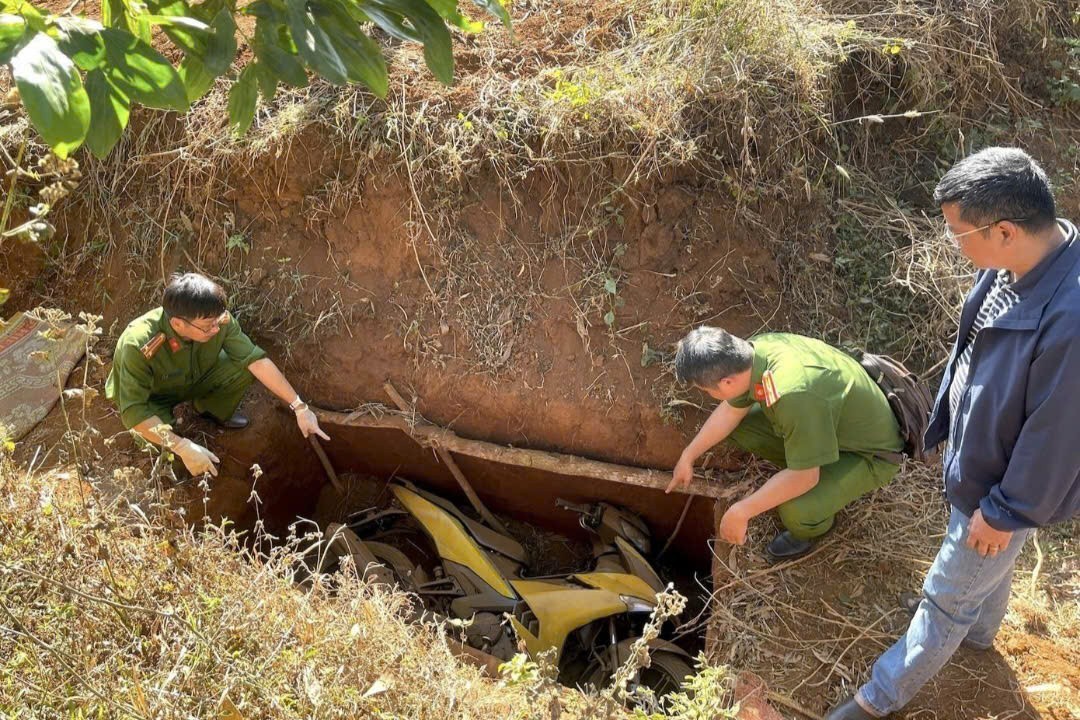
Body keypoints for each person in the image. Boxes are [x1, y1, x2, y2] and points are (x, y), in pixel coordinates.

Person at [826, 148, 1080, 718]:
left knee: (945, 600)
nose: (955, 244)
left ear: (1006, 230)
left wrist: (1008, 509)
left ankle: (876, 699)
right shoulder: (1015, 265)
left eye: (959, 233)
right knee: (991, 562)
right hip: (982, 467)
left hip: (1001, 490)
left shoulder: (1072, 318)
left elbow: (1060, 435)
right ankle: (980, 635)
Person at [667, 328, 905, 560]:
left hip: (868, 454)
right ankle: (805, 456)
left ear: (727, 382)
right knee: (742, 426)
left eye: (708, 391)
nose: (709, 395)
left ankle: (813, 527)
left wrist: (742, 511)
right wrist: (688, 456)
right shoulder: (753, 354)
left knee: (796, 509)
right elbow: (730, 412)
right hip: (826, 424)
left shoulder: (793, 393)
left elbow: (805, 478)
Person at [105, 272, 329, 478]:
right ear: (178, 324)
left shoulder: (217, 320)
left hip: (194, 379)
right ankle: (176, 447)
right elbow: (134, 411)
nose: (216, 329)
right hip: (152, 399)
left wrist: (300, 407)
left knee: (243, 365)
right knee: (170, 453)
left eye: (217, 322)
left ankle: (209, 409)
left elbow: (255, 360)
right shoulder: (138, 343)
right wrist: (182, 446)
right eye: (207, 326)